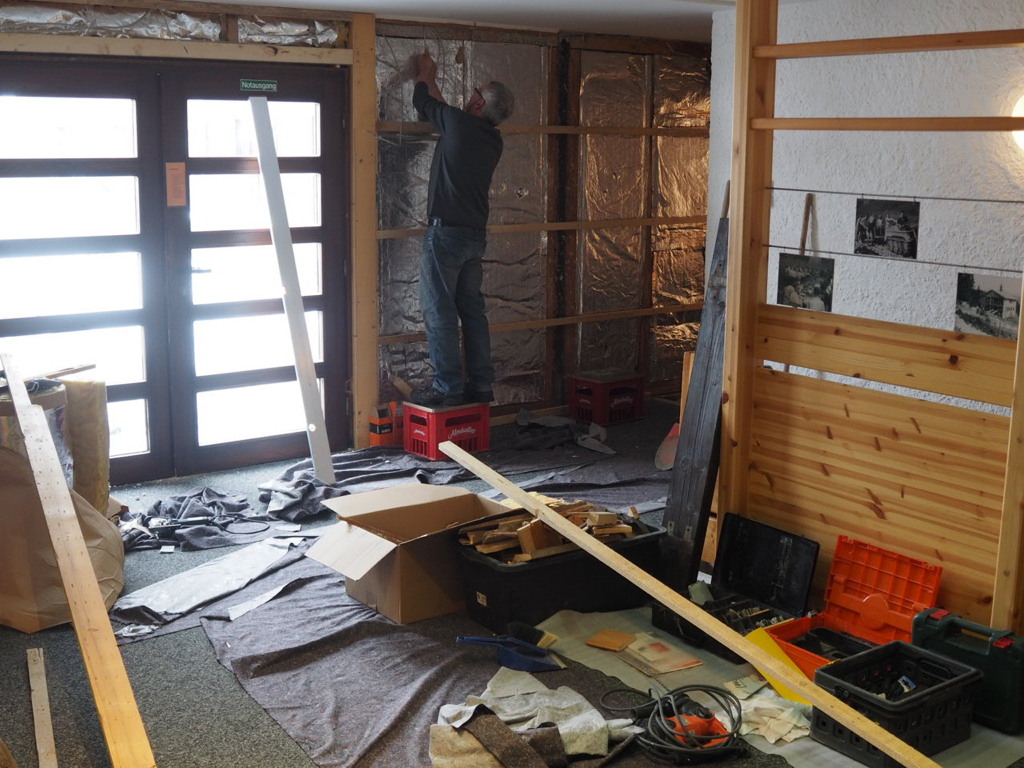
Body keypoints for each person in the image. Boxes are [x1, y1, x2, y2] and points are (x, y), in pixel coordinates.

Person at [408, 52, 515, 408]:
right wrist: (433, 78)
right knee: (471, 312)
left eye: (475, 92)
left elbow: (423, 103)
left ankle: (447, 388)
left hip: (446, 237)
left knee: (439, 311)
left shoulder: (459, 124)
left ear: (479, 103)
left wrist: (423, 75)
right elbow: (444, 111)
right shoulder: (490, 138)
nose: (470, 95)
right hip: (472, 237)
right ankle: (480, 386)